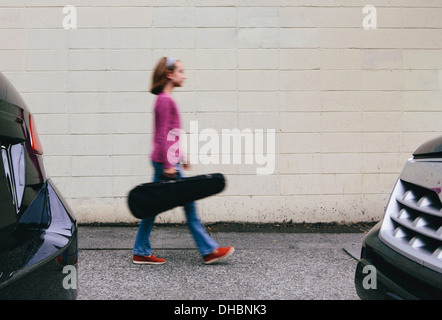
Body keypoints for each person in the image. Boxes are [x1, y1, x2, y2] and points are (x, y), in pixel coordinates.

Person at [132, 57, 234, 265]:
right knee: (189, 206)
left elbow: (171, 134)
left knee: (152, 207)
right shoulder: (165, 100)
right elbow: (162, 135)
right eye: (180, 71)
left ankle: (140, 251)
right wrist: (170, 164)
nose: (184, 75)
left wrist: (180, 157)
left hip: (167, 161)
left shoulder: (164, 99)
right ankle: (208, 251)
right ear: (169, 74)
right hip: (165, 163)